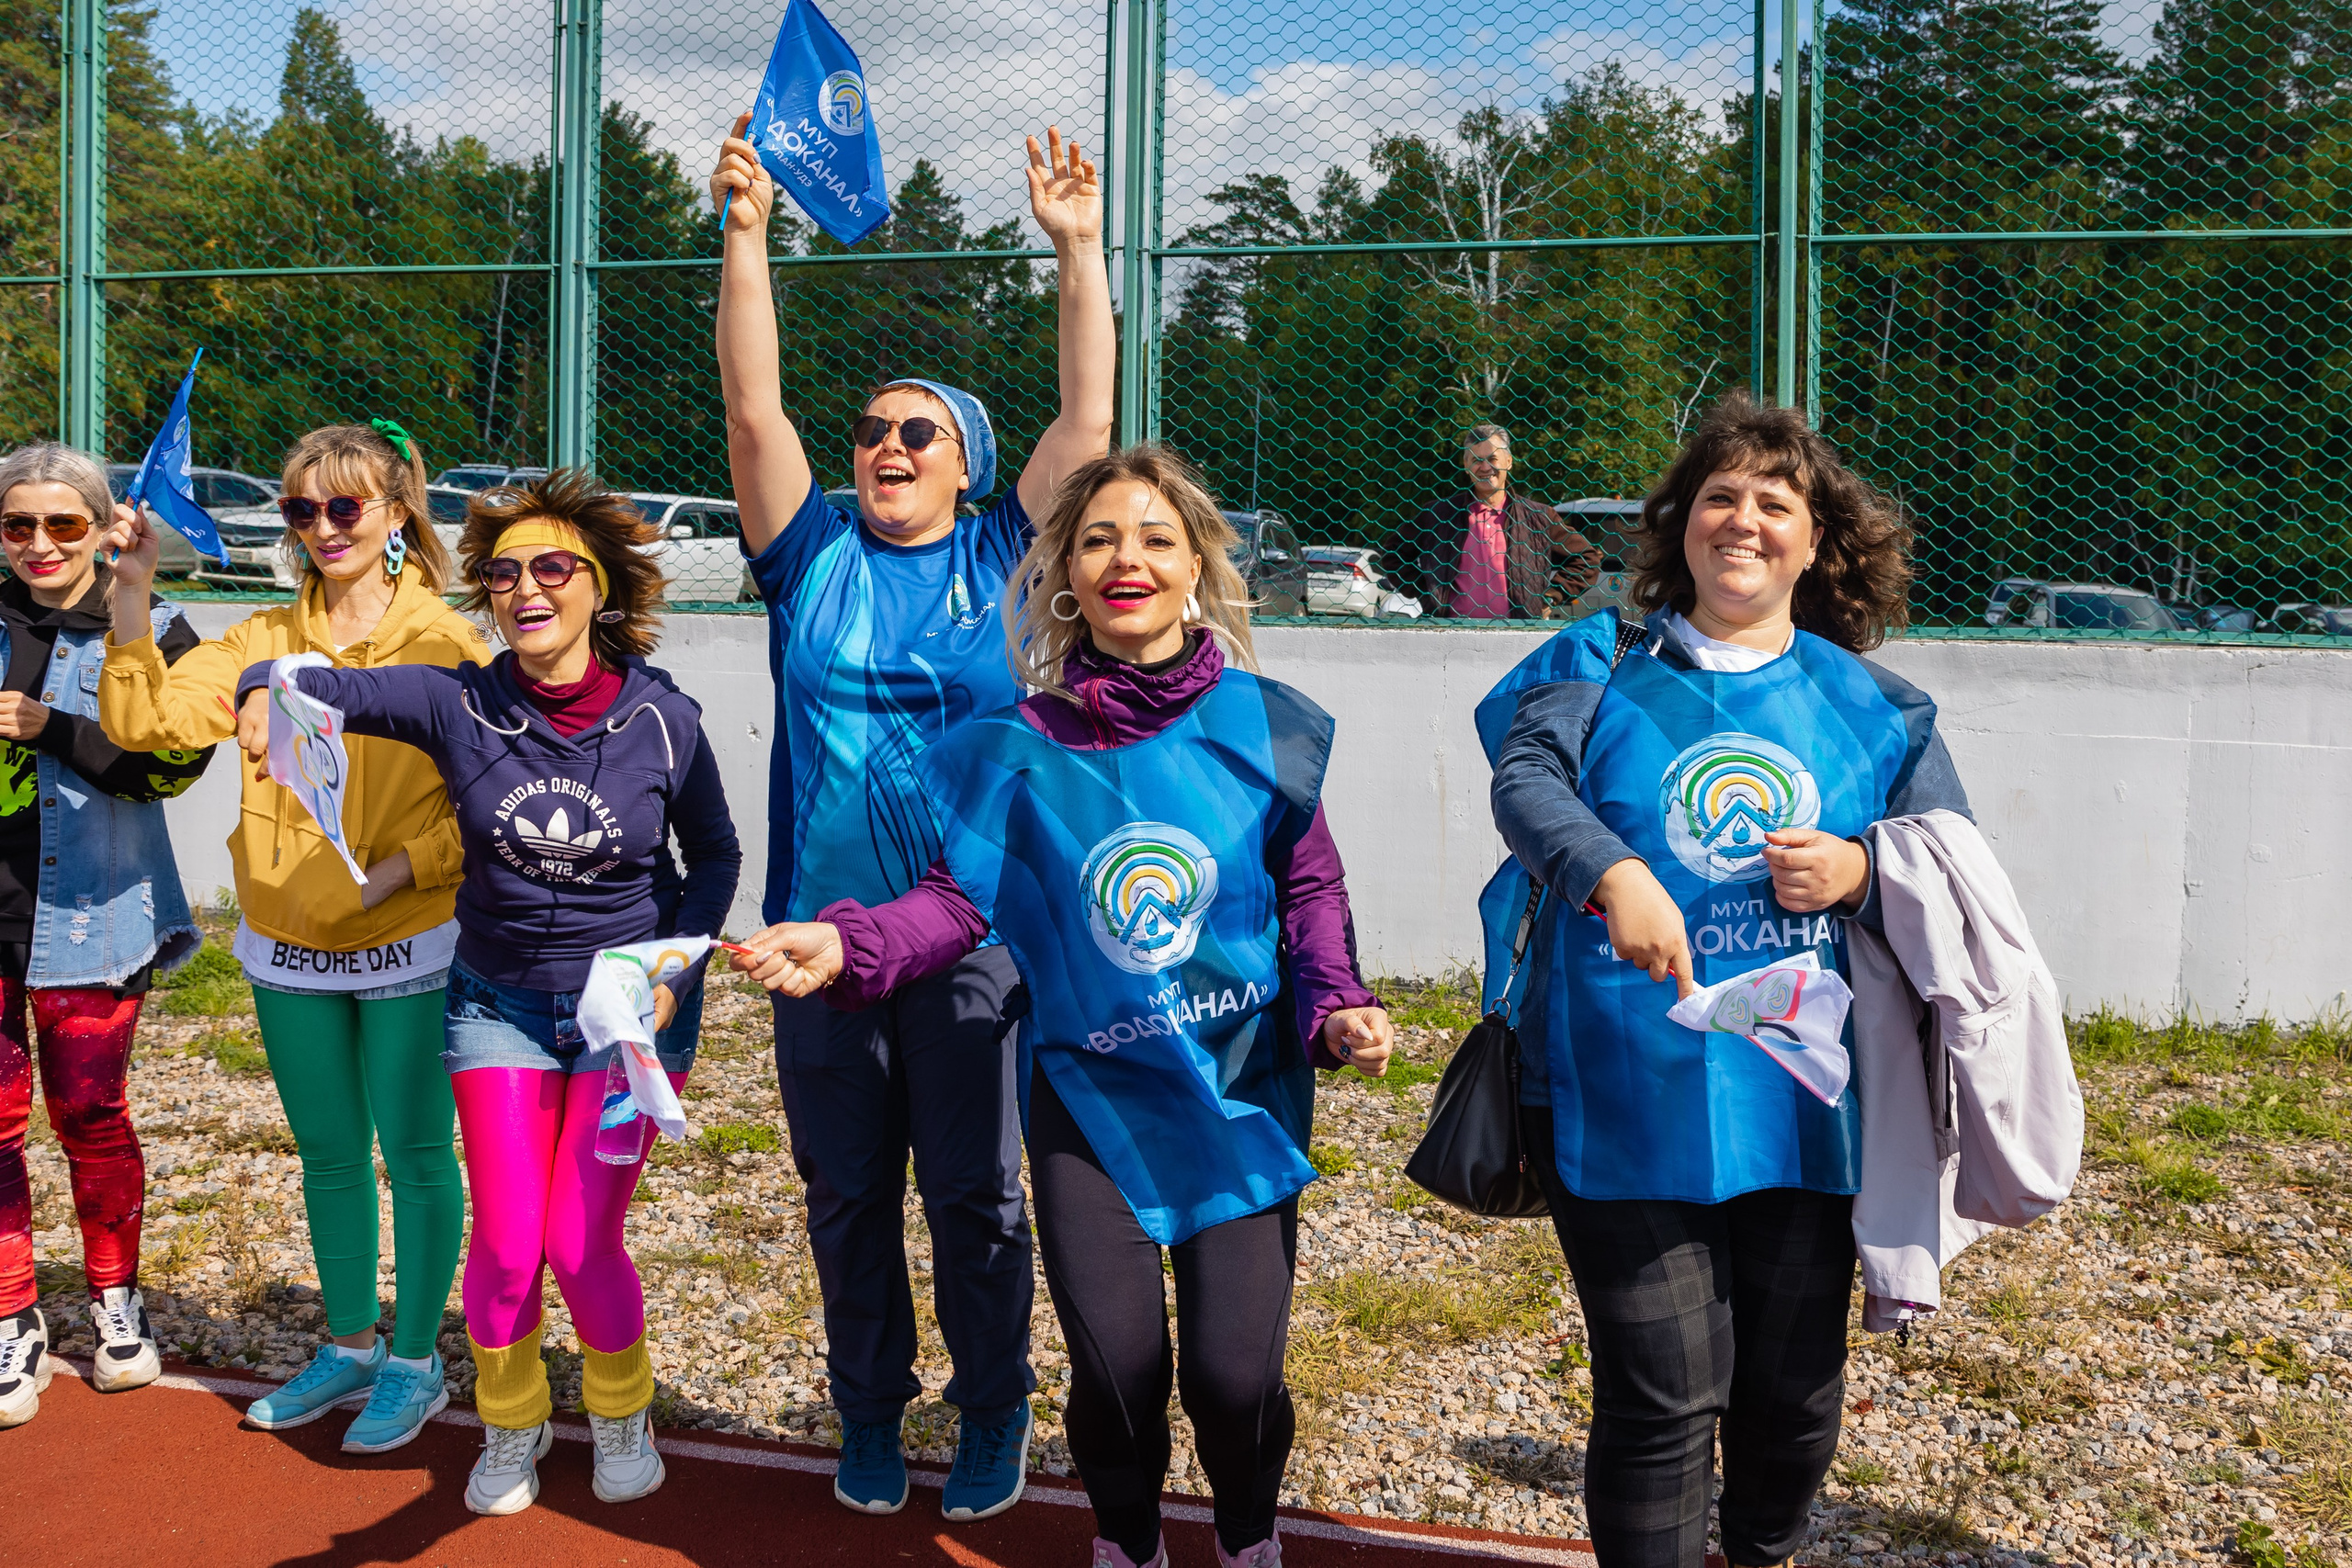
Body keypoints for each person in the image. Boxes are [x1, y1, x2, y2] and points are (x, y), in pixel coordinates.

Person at [733, 446, 1395, 1568]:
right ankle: (1127, 1543)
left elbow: (1309, 883)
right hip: (1091, 1098)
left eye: (1153, 538)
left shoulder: (1265, 724)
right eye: (1097, 539)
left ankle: (1246, 1537)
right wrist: (848, 939)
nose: (1124, 558)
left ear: (1196, 569)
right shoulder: (1021, 748)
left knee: (1236, 1379)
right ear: (1063, 577)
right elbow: (954, 904)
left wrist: (1335, 1000)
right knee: (1119, 1370)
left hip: (1240, 1091)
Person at [1480, 392, 1972, 1567]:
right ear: (1677, 525)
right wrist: (1610, 871)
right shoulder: (1595, 660)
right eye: (1717, 497)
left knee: (1793, 1397)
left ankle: (1758, 1551)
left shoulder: (1880, 708)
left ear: (1817, 541)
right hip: (1619, 1087)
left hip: (1807, 1102)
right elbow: (1526, 781)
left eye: (1773, 502)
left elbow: (1950, 872)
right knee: (1659, 1395)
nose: (1740, 522)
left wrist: (1862, 869)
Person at [709, 117, 1114, 1519]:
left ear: (966, 464)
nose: (883, 443)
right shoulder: (809, 553)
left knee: (975, 1195)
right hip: (820, 945)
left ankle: (992, 1405)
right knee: (843, 1200)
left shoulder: (1010, 553)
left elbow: (1088, 427)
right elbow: (758, 412)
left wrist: (1078, 253)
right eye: (873, 428)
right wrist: (748, 235)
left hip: (971, 938)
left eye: (915, 431)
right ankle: (870, 1407)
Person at [237, 470, 741, 1516]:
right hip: (496, 1007)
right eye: (504, 573)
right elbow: (321, 680)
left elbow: (718, 858)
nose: (525, 589)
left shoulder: (664, 720)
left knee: (579, 1239)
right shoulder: (457, 699)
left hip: (624, 1019)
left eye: (553, 567)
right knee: (510, 1243)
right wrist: (264, 693)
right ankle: (512, 1425)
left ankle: (618, 1408)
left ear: (598, 588)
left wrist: (670, 969)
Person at [99, 421, 483, 1454]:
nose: (323, 527)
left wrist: (410, 869)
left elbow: (487, 801)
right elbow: (146, 724)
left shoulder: (449, 644)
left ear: (397, 512)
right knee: (326, 1157)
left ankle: (415, 1364)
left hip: (412, 935)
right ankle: (351, 1344)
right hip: (286, 941)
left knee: (413, 1153)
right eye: (301, 509)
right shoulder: (259, 637)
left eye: (346, 505)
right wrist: (130, 592)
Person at [0, 444, 212, 1428]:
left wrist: (52, 728)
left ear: (99, 527)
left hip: (95, 916)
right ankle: (11, 1314)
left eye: (63, 524)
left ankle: (115, 1301)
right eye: (17, 526)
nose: (39, 545)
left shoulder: (154, 628)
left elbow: (172, 771)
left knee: (91, 1118)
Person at [1394, 423, 1599, 620]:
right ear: (1465, 465)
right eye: (1476, 460)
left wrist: (1551, 597)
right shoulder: (1439, 515)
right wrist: (1427, 595)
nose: (1485, 467)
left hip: (1517, 634)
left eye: (1493, 458)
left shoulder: (1538, 517)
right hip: (1451, 633)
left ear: (1509, 461)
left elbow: (1587, 559)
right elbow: (1394, 555)